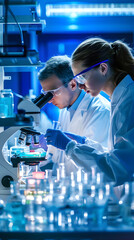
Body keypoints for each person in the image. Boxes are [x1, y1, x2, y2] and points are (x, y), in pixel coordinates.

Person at [45, 38, 134, 185]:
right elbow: (115, 154)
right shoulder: (120, 97)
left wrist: (70, 147)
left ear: (103, 69)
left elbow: (117, 169)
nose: (79, 85)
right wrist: (84, 142)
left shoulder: (129, 101)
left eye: (82, 77)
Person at [38, 55, 110, 175]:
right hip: (69, 188)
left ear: (72, 84)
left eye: (52, 93)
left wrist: (67, 144)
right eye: (45, 94)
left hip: (92, 190)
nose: (49, 100)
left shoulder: (100, 111)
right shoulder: (65, 110)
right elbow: (60, 160)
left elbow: (100, 166)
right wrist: (45, 149)